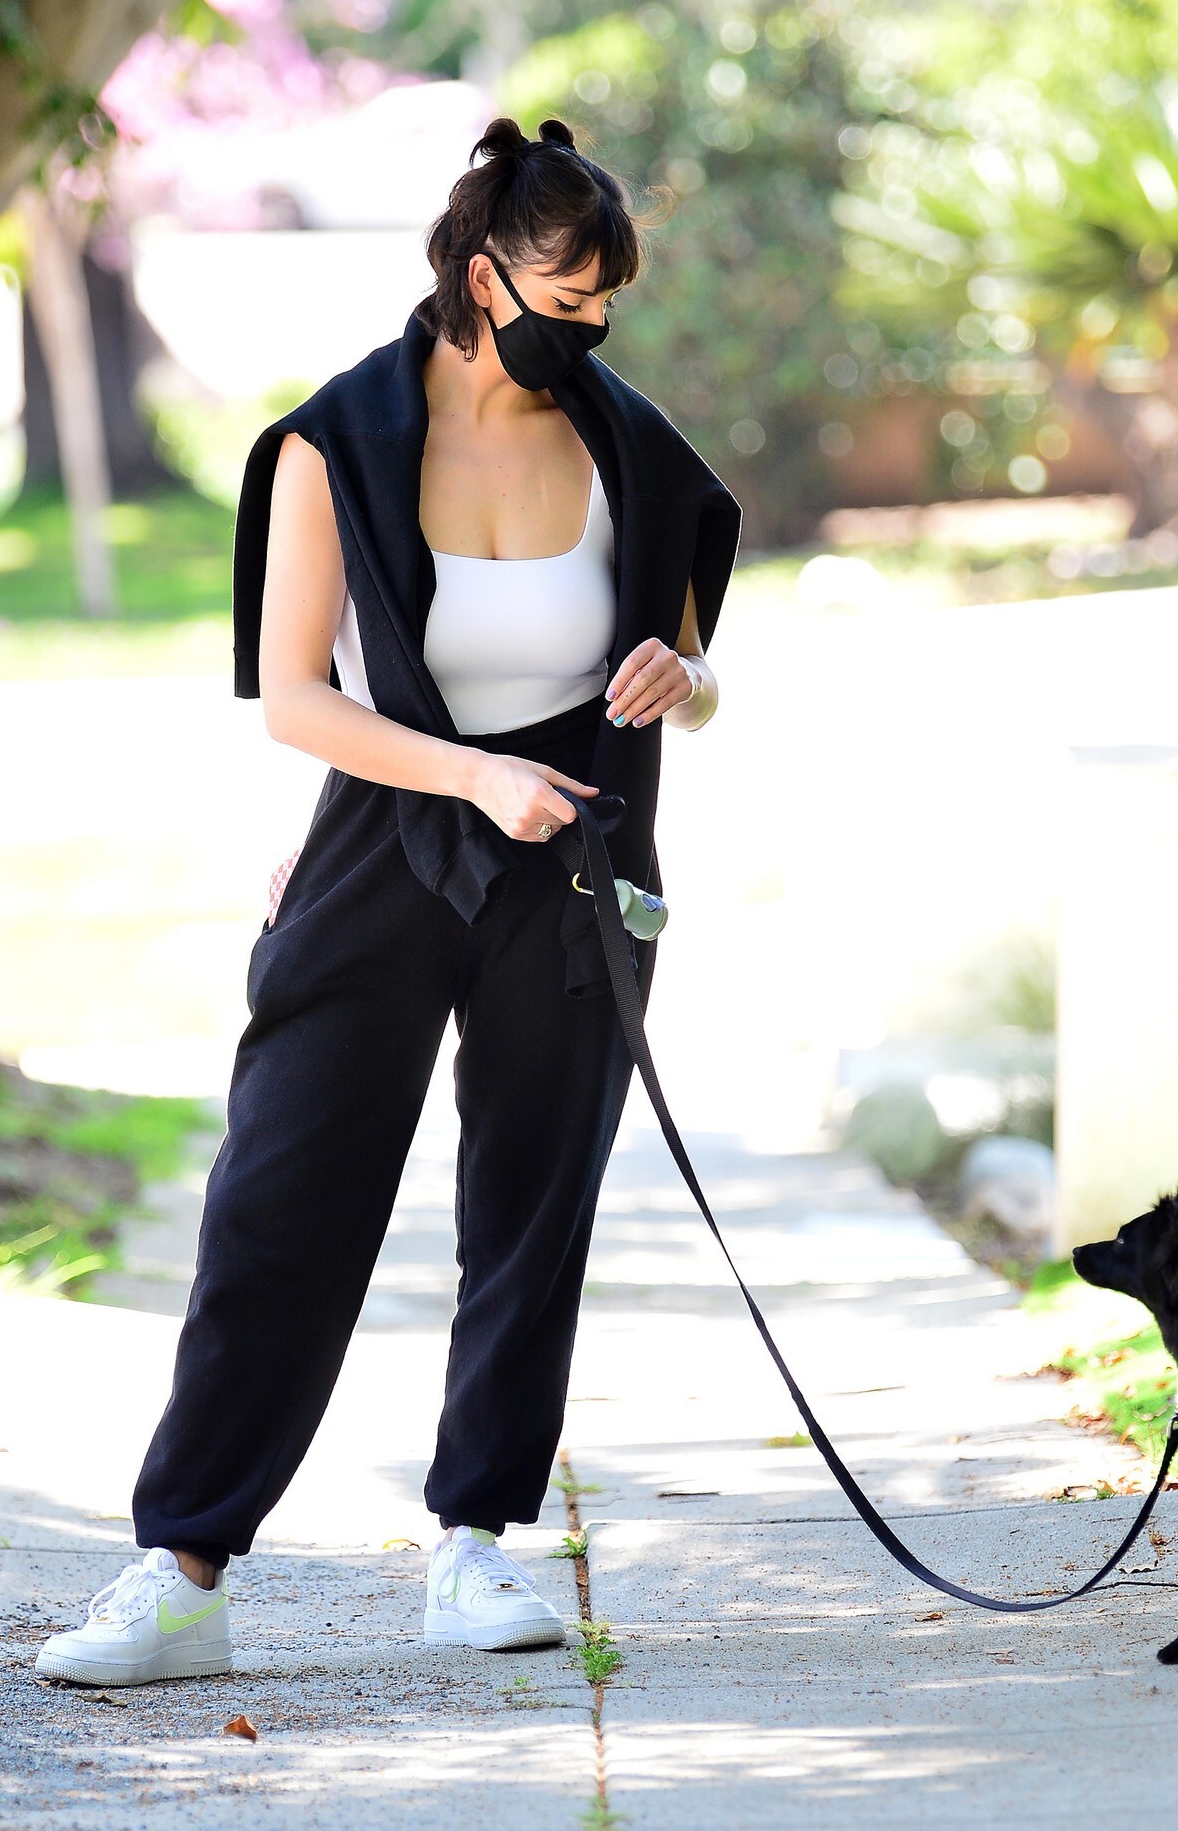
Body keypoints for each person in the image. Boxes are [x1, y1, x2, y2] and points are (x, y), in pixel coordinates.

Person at [37, 116, 741, 1687]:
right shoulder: (336, 443)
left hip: (574, 853)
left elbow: (695, 670)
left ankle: (475, 1542)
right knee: (281, 1196)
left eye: (606, 305)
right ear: (483, 276)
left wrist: (680, 680)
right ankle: (185, 1569)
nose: (590, 329)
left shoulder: (628, 447)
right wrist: (468, 775)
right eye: (567, 299)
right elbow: (294, 694)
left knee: (532, 1205)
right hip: (387, 840)